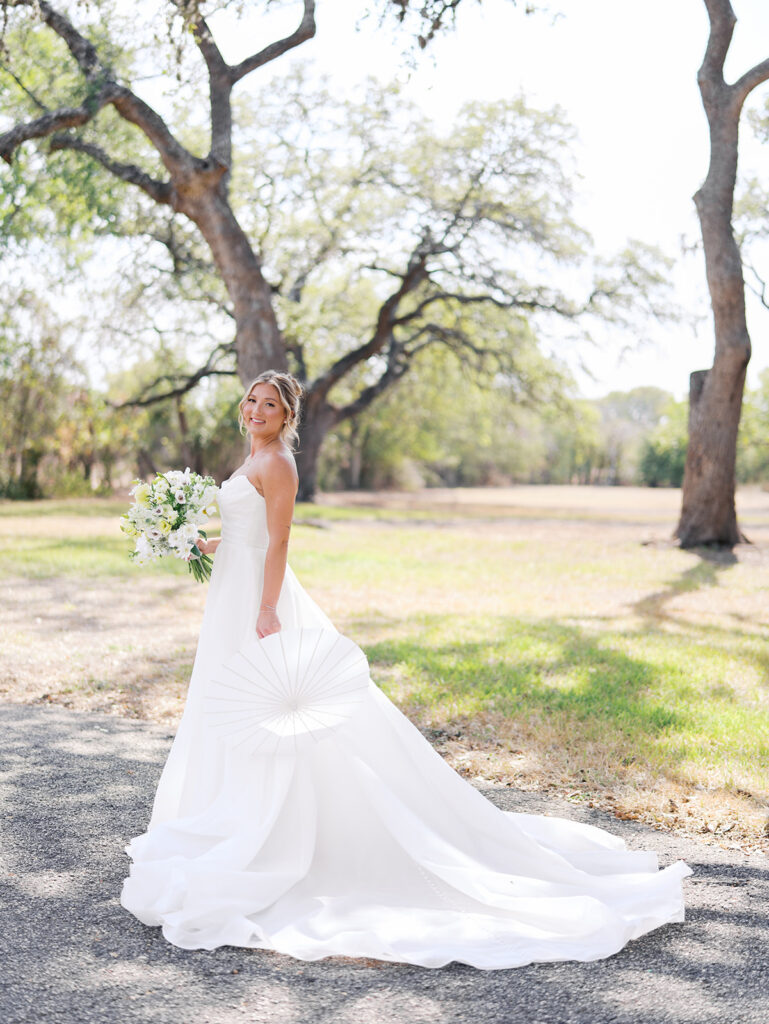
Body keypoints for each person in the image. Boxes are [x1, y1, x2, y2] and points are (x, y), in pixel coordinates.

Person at [120, 370, 692, 969]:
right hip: (232, 590)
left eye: (272, 405)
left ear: (288, 418)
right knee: (233, 703)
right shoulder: (251, 458)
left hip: (259, 601)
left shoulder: (280, 465)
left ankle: (279, 829)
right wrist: (192, 541)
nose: (259, 410)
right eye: (254, 401)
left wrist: (267, 609)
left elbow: (281, 543)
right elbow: (244, 537)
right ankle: (226, 811)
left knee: (276, 710)